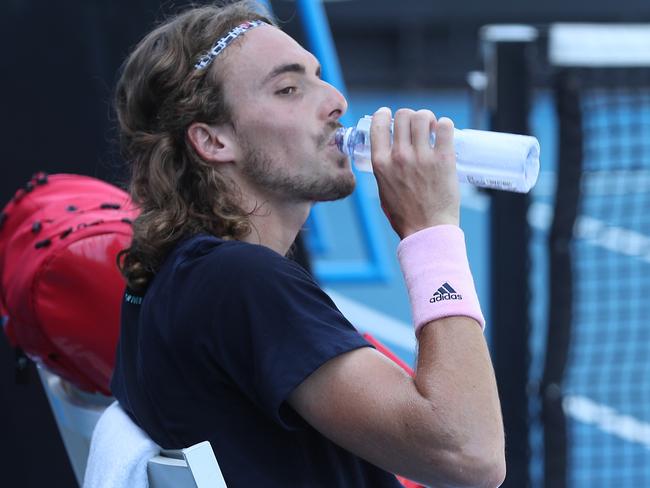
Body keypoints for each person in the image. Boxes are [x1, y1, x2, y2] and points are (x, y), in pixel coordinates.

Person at [110, 2, 506, 487]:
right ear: (213, 141)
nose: (336, 100)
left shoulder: (181, 274)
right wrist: (430, 230)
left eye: (319, 77)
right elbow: (469, 453)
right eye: (289, 89)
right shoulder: (241, 282)